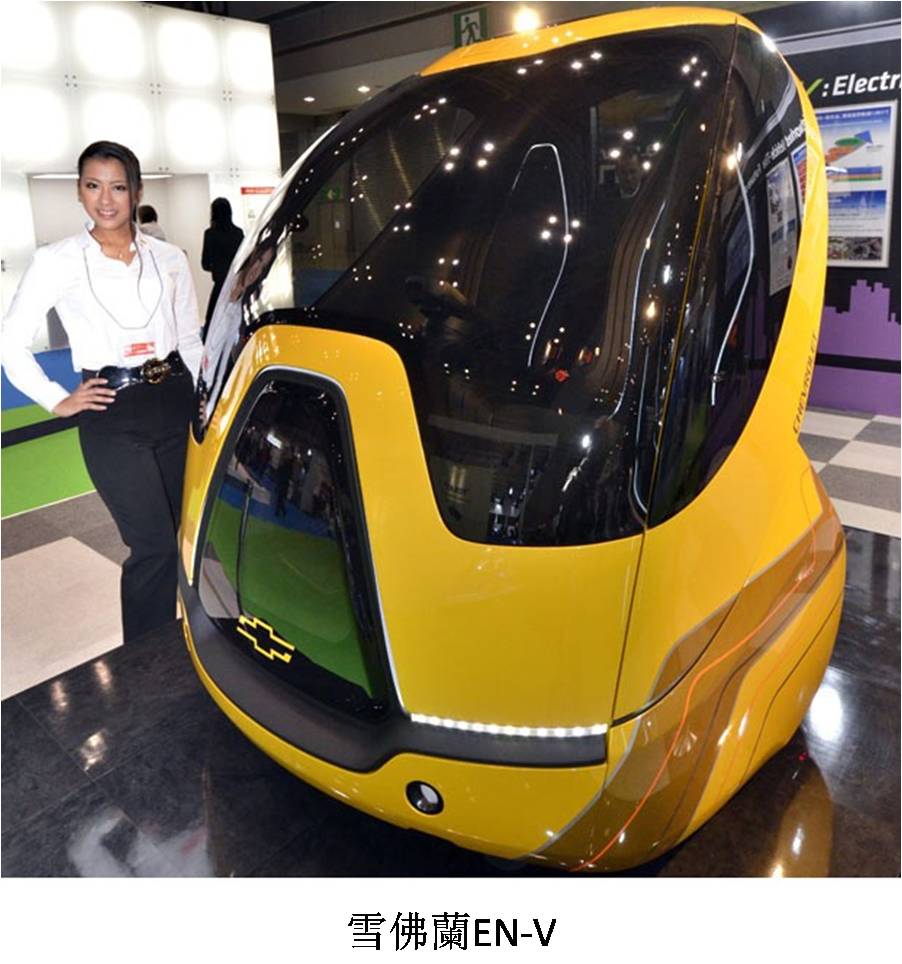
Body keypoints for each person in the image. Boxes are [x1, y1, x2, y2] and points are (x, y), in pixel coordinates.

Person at [1, 140, 203, 643]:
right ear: (79, 191)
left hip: (175, 397)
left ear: (136, 192)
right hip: (111, 409)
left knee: (180, 534)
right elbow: (10, 341)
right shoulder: (57, 260)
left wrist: (206, 395)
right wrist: (56, 398)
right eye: (93, 186)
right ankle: (146, 663)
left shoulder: (168, 258)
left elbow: (188, 338)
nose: (106, 199)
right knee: (152, 545)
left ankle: (178, 640)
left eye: (117, 187)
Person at [201, 197, 244, 338]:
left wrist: (216, 267)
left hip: (220, 285)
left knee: (212, 322)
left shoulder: (210, 234)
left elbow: (205, 263)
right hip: (236, 284)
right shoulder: (238, 233)